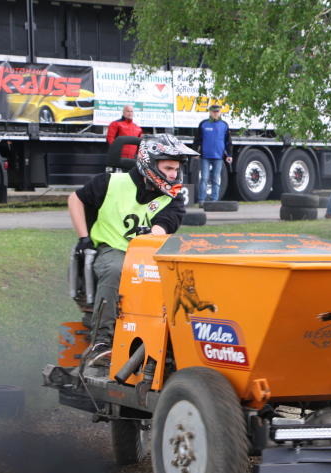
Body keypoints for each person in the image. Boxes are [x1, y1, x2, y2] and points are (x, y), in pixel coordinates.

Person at [68, 134, 198, 366]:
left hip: (149, 255)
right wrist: (83, 238)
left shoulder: (173, 199)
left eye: (176, 169)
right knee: (118, 269)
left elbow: (164, 226)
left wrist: (152, 233)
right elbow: (75, 199)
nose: (173, 174)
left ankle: (181, 345)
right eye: (168, 167)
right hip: (112, 250)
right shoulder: (110, 183)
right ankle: (101, 343)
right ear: (149, 163)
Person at [193, 104, 232, 203]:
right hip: (205, 156)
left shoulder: (224, 125)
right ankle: (201, 200)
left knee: (215, 179)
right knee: (204, 178)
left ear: (220, 112)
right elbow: (197, 140)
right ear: (210, 112)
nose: (215, 113)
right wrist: (195, 152)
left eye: (217, 112)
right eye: (213, 112)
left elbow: (228, 142)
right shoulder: (203, 124)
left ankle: (214, 200)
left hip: (218, 156)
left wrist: (229, 155)